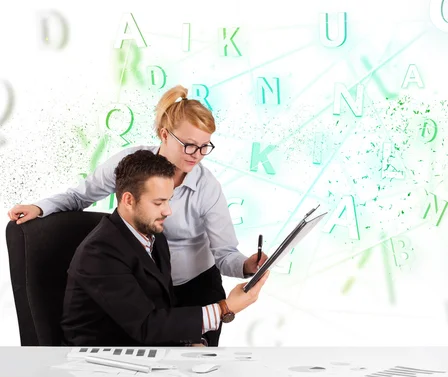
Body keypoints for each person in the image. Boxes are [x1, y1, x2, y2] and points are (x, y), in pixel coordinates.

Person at [8, 85, 267, 346]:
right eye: (189, 145)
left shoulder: (166, 233)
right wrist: (41, 208)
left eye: (204, 147)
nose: (197, 155)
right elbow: (80, 195)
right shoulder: (131, 170)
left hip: (188, 287)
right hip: (140, 293)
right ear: (165, 135)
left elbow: (224, 253)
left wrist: (247, 267)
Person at [62, 150, 269, 346]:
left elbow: (162, 310)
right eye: (159, 202)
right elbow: (146, 325)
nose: (168, 211)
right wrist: (226, 308)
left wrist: (189, 343)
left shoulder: (155, 237)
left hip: (144, 350)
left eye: (169, 200)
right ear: (128, 200)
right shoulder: (100, 254)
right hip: (98, 359)